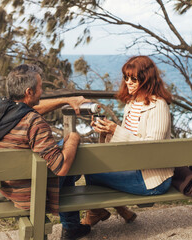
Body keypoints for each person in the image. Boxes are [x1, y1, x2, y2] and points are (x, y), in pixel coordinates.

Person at [0, 64, 91, 240]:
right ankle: (71, 227)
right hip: (31, 193)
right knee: (68, 156)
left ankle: (73, 227)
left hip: (7, 186)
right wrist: (74, 137)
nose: (43, 91)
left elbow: (26, 111)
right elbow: (60, 168)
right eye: (41, 87)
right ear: (29, 91)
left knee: (61, 153)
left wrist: (65, 100)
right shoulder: (34, 123)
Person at [81, 55, 174, 227]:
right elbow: (123, 145)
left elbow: (152, 149)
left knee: (91, 170)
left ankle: (96, 212)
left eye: (134, 78)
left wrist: (115, 130)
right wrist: (106, 131)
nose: (128, 82)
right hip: (132, 167)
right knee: (94, 164)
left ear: (146, 80)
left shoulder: (158, 106)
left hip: (152, 179)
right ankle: (119, 211)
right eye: (126, 77)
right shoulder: (131, 104)